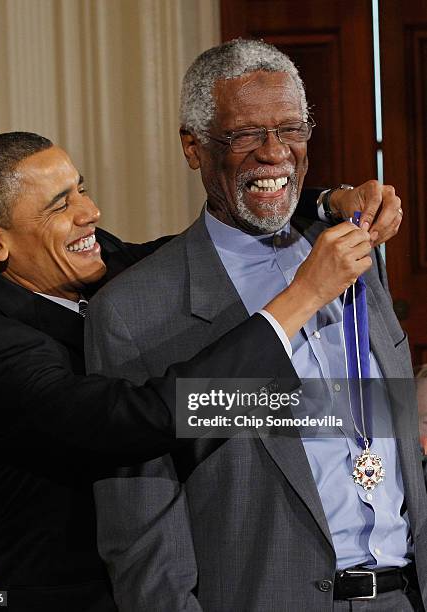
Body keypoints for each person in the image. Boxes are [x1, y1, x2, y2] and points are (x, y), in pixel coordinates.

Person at [0, 132, 389, 611]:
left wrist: (327, 202)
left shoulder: (94, 256)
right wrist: (303, 297)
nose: (89, 211)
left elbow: (203, 249)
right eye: (58, 205)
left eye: (81, 188)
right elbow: (142, 420)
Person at [85, 39, 426, 611]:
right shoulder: (134, 310)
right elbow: (142, 543)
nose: (276, 154)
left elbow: (389, 437)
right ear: (193, 148)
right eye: (245, 134)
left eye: (291, 129)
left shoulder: (354, 248)